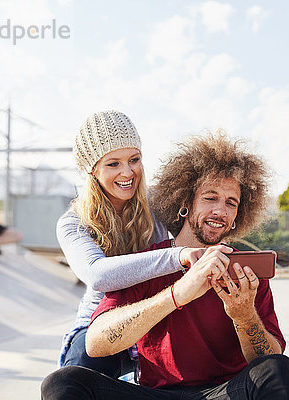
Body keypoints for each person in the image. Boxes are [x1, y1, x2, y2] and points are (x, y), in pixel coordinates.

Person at [41, 133, 289, 400]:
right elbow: (95, 344)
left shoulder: (246, 273)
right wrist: (178, 293)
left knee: (277, 368)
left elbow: (269, 360)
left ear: (238, 216)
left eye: (231, 203)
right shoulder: (150, 263)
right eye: (210, 198)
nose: (220, 211)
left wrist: (244, 315)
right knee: (64, 382)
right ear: (185, 203)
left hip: (225, 393)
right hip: (158, 394)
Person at [56, 110, 205, 379]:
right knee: (73, 378)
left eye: (134, 160)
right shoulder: (73, 223)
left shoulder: (158, 204)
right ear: (93, 169)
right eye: (113, 164)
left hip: (156, 313)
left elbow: (199, 227)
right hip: (101, 320)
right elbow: (98, 274)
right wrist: (176, 256)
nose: (128, 172)